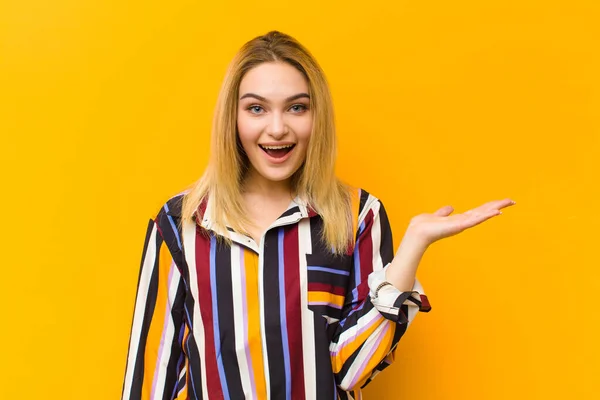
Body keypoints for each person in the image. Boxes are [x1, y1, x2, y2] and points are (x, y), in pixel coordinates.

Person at [121, 31, 515, 400]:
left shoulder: (359, 216)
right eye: (256, 108)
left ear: (317, 116)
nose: (277, 128)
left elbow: (353, 371)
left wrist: (413, 247)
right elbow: (153, 376)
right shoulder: (182, 222)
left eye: (297, 107)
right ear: (233, 119)